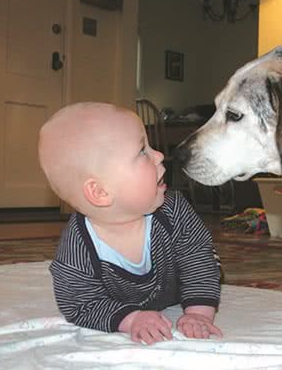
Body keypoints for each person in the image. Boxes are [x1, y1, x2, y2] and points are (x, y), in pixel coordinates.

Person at [38, 102, 222, 345]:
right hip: (127, 298)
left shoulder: (173, 210)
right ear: (100, 192)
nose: (159, 155)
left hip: (180, 281)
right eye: (142, 151)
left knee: (206, 260)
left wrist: (199, 313)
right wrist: (131, 319)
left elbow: (198, 261)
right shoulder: (78, 248)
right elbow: (80, 304)